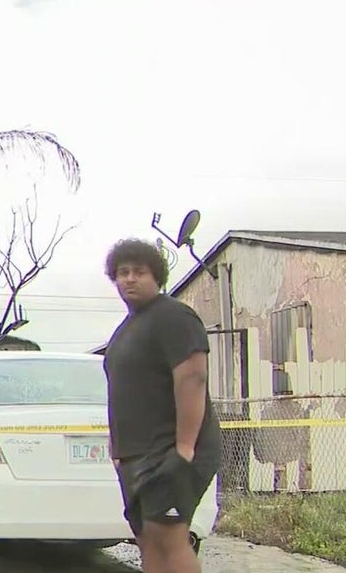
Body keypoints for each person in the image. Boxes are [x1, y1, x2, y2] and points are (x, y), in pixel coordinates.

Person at [102, 238, 221, 573]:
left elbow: (192, 378)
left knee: (169, 536)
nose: (129, 279)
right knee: (146, 537)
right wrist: (118, 450)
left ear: (157, 276)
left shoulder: (174, 317)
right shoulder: (125, 330)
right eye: (122, 273)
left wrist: (184, 447)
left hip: (171, 448)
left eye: (139, 272)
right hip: (136, 454)